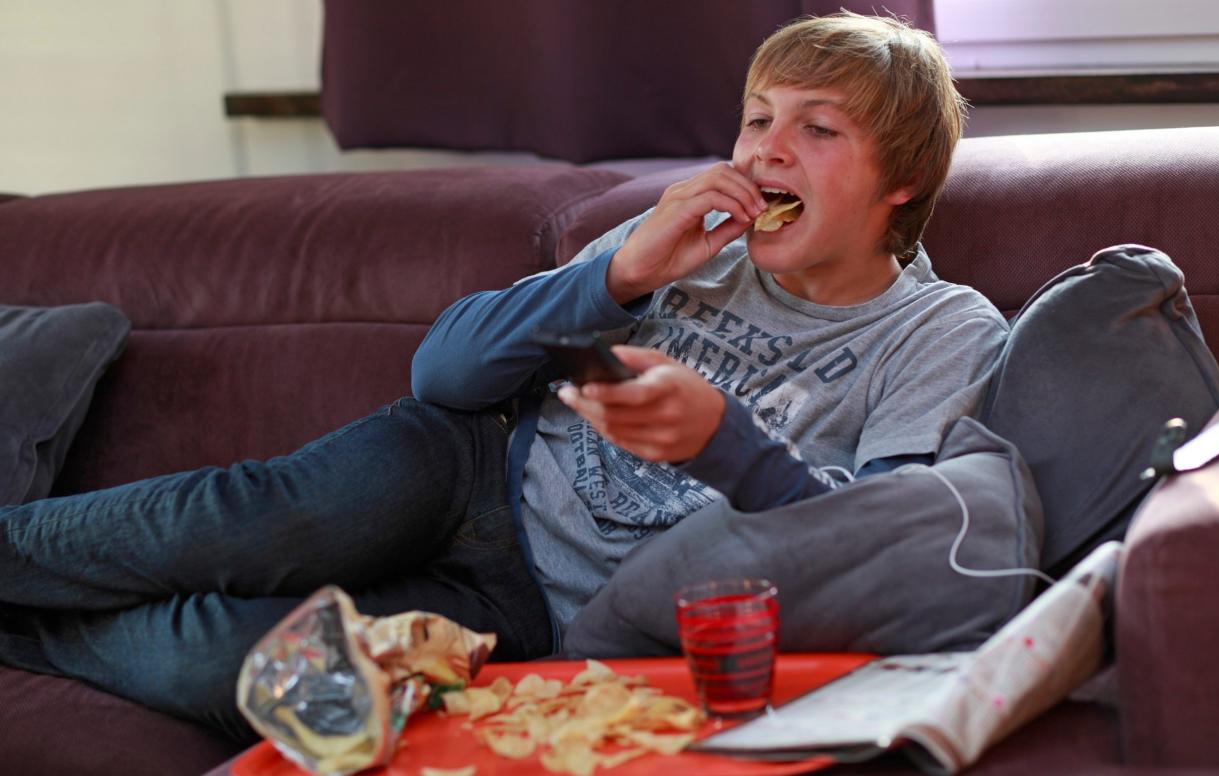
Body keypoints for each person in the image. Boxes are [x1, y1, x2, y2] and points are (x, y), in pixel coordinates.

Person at [0, 12, 1005, 741]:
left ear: (902, 176)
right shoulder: (680, 236)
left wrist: (724, 443)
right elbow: (441, 369)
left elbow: (890, 546)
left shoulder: (936, 328)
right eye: (755, 120)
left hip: (545, 619)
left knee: (215, 660)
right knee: (244, 521)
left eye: (816, 129)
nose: (765, 149)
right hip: (464, 468)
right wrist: (622, 270)